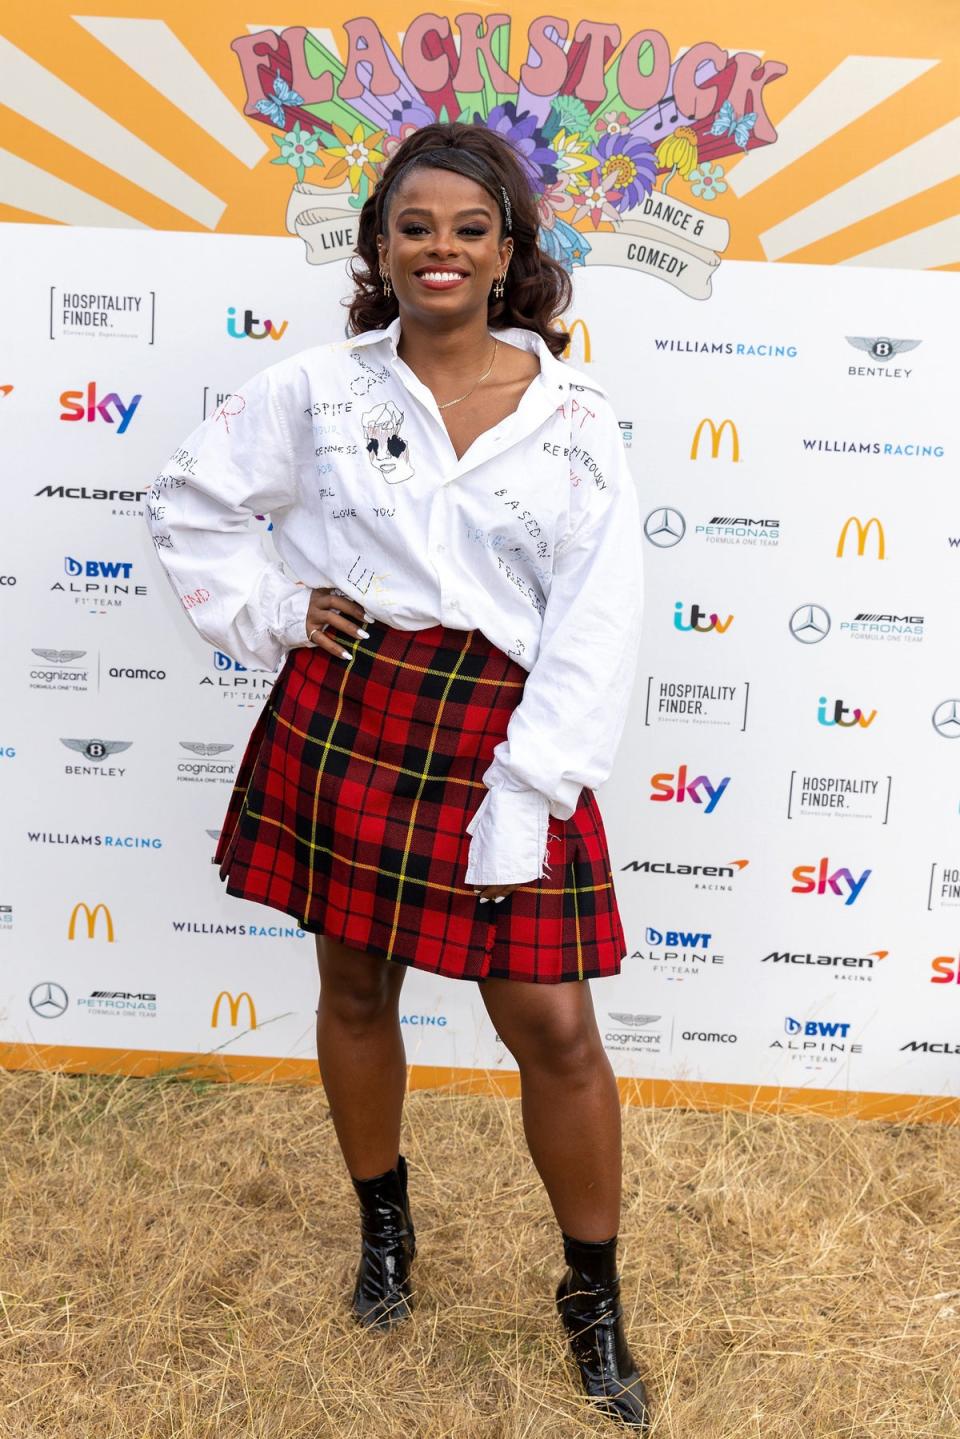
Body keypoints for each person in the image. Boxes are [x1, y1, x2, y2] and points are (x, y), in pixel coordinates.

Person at [146, 120, 648, 1429]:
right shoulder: (319, 390)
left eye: (469, 230)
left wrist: (534, 783)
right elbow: (194, 501)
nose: (441, 248)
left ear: (507, 254)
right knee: (354, 982)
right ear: (379, 245)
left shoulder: (577, 421)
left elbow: (599, 618)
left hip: (504, 727)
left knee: (553, 1024)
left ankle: (590, 1298)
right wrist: (272, 608)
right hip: (357, 705)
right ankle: (385, 1225)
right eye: (415, 226)